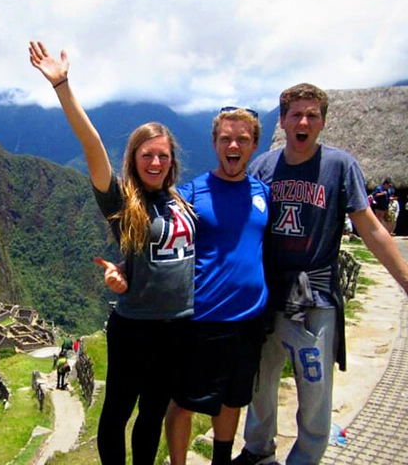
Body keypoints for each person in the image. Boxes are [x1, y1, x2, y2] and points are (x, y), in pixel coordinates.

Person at [29, 41, 196, 465]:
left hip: (177, 327)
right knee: (118, 413)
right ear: (134, 159)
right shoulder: (124, 203)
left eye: (162, 155)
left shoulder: (183, 202)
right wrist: (63, 85)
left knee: (153, 415)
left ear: (171, 160)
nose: (155, 162)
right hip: (136, 327)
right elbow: (92, 144)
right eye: (147, 155)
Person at [234, 83, 408, 465]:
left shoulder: (340, 166)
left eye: (312, 115)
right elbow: (242, 227)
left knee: (315, 389)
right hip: (266, 295)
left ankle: (305, 458)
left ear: (323, 122)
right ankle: (257, 451)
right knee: (260, 382)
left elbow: (372, 229)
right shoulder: (264, 167)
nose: (304, 121)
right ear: (282, 120)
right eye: (296, 114)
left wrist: (406, 280)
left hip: (315, 296)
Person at [101, 107, 270, 465]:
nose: (233, 145)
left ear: (255, 144)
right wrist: (124, 269)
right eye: (225, 138)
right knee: (175, 404)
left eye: (242, 139)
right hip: (195, 320)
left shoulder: (261, 193)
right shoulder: (191, 194)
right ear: (214, 143)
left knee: (226, 399)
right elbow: (146, 236)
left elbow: (175, 244)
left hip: (231, 321)